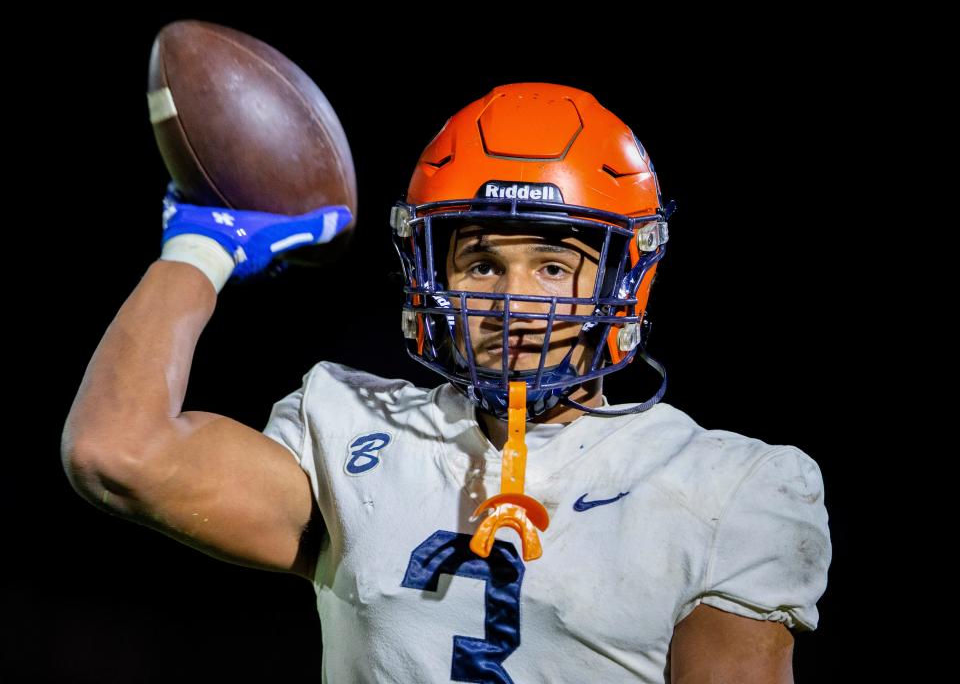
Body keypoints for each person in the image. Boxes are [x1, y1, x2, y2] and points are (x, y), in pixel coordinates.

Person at [62, 82, 831, 683]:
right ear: (433, 273)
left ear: (625, 280)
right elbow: (116, 453)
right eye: (482, 263)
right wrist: (199, 251)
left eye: (554, 266)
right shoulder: (349, 424)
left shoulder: (732, 486)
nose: (513, 299)